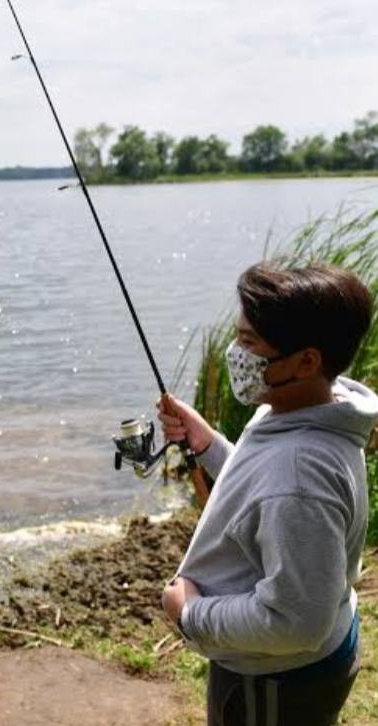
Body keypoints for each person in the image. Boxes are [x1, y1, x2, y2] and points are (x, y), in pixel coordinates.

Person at [158, 262, 377, 726]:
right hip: (295, 661)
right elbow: (263, 485)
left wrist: (191, 614)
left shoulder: (300, 478)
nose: (235, 353)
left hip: (276, 681)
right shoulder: (309, 405)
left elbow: (297, 622)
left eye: (249, 343)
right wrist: (210, 446)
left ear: (306, 361)